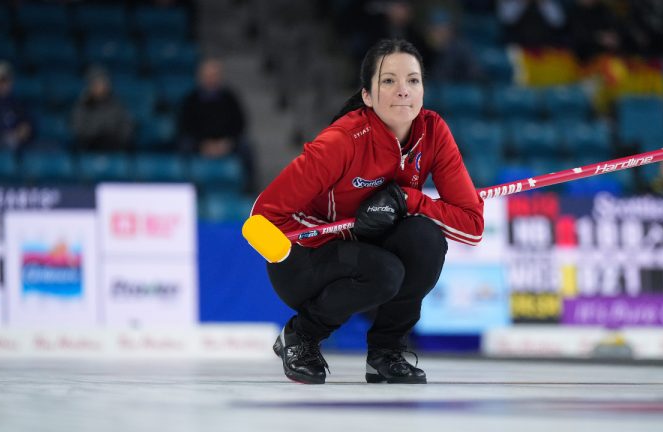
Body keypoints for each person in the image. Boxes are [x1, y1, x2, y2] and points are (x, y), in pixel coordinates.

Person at [250, 39, 484, 385]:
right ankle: (302, 336)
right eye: (389, 81)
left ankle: (386, 352)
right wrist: (342, 231)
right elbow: (261, 215)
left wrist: (408, 200)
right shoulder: (342, 140)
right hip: (305, 260)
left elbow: (472, 226)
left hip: (368, 251)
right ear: (367, 96)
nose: (403, 90)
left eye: (413, 80)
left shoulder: (433, 132)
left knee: (425, 239)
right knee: (385, 270)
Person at [177, 58, 255, 191]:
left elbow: (240, 123)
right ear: (200, 77)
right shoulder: (190, 100)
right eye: (207, 76)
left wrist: (226, 143)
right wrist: (203, 144)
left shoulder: (230, 98)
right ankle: (188, 188)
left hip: (226, 142)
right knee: (184, 146)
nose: (211, 79)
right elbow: (185, 126)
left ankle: (248, 189)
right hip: (199, 144)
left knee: (246, 148)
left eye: (214, 75)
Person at [70, 66, 134, 152]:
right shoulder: (82, 106)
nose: (99, 87)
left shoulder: (117, 105)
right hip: (89, 149)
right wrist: (98, 131)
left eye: (102, 83)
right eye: (95, 83)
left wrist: (114, 136)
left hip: (114, 149)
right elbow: (78, 130)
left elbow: (127, 129)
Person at [0, 61, 34, 150]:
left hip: (15, 147)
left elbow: (28, 125)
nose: (4, 85)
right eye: (0, 81)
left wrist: (22, 131)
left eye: (7, 81)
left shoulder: (17, 103)